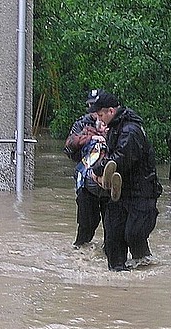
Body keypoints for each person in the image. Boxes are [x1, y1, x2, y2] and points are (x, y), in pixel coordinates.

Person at [88, 90, 161, 272]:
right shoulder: (116, 127)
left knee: (134, 235)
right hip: (120, 193)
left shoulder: (130, 131)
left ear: (111, 111)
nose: (99, 119)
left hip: (141, 193)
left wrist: (97, 170)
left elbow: (121, 159)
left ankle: (143, 270)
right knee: (113, 237)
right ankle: (117, 274)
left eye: (101, 115)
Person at [64, 89, 111, 248]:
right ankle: (80, 254)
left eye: (96, 106)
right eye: (90, 105)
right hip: (85, 183)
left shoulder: (114, 124)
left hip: (109, 185)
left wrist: (105, 137)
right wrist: (89, 139)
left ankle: (107, 253)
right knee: (86, 226)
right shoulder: (81, 124)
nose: (93, 109)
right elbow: (69, 150)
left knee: (112, 228)